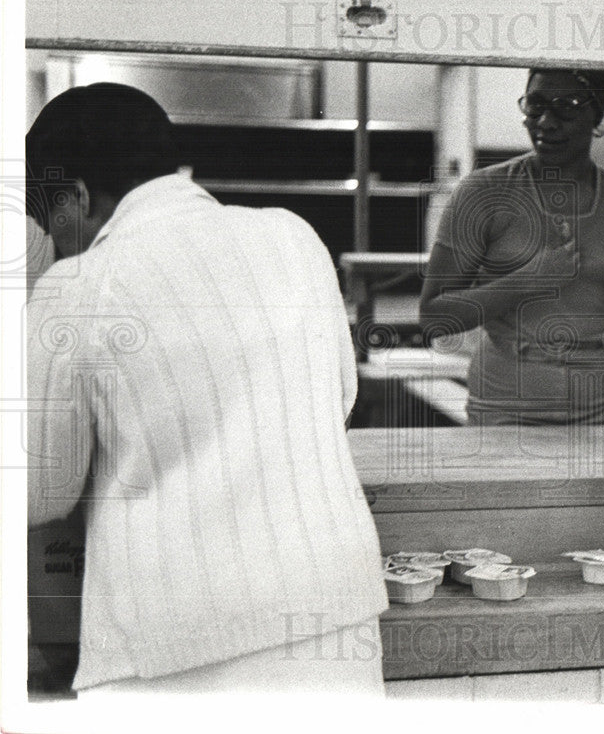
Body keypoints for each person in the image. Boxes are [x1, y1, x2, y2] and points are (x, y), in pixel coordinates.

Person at [26, 83, 388, 698]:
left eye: (47, 220)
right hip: (334, 625)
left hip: (172, 654)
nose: (50, 240)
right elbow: (341, 399)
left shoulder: (79, 284)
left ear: (79, 198)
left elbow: (38, 489)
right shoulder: (293, 237)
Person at [419, 68, 604, 425]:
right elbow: (435, 316)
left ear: (597, 114)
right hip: (507, 405)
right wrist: (528, 280)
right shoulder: (482, 194)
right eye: (535, 105)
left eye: (567, 107)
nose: (546, 122)